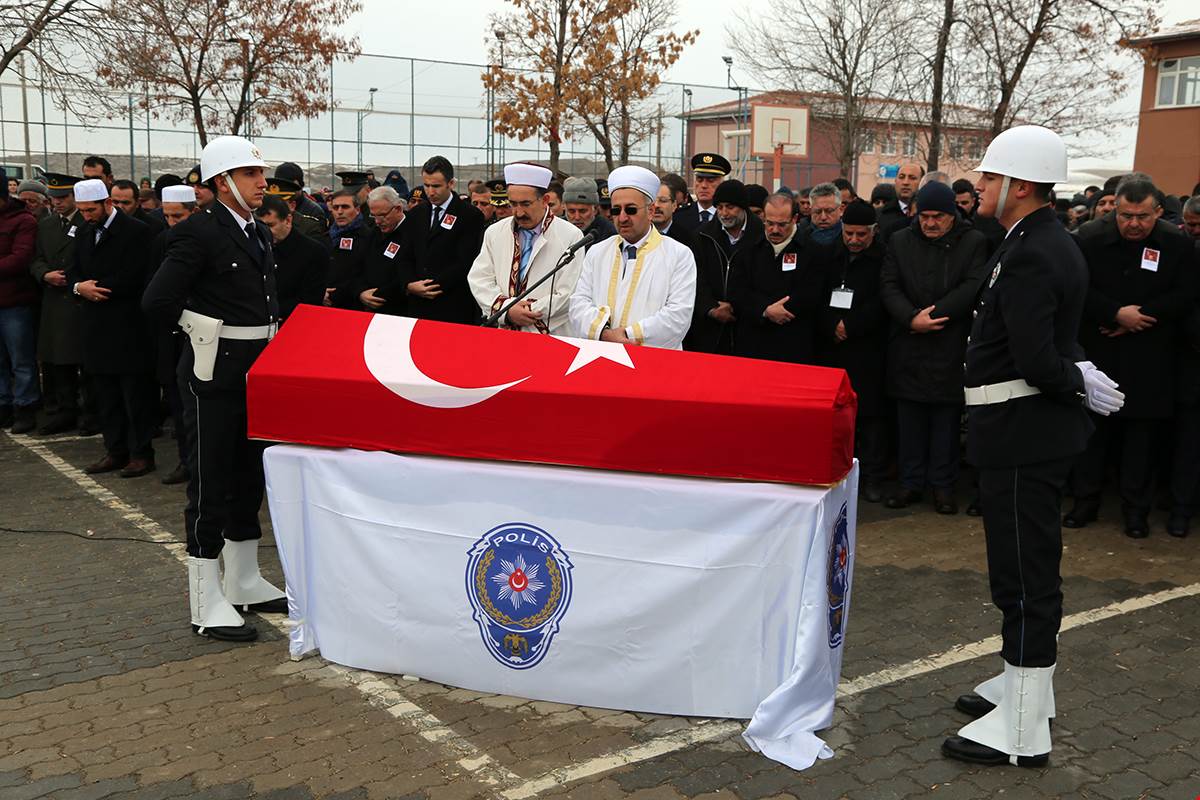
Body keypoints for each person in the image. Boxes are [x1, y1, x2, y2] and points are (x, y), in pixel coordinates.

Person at [943, 124, 1124, 770]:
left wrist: (1073, 379)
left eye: (991, 176)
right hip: (1019, 431)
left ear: (1020, 184)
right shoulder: (1033, 240)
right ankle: (1022, 686)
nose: (980, 185)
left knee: (1023, 577)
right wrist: (1076, 374)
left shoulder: (1034, 250)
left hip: (1023, 434)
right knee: (1022, 572)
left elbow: (1037, 356)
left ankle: (1023, 730)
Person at [143, 135, 287, 643]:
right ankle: (205, 598)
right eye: (250, 174)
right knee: (210, 481)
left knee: (248, 477)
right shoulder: (198, 233)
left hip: (255, 372)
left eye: (260, 172)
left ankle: (243, 579)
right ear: (222, 182)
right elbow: (157, 301)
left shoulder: (257, 230)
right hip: (213, 375)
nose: (262, 182)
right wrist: (203, 333)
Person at [1065, 177, 1198, 537]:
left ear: (1158, 212)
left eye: (1142, 217)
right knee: (1093, 434)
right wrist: (1114, 313)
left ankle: (1135, 510)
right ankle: (1085, 500)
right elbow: (1078, 289)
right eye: (1126, 216)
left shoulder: (1177, 244)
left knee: (1141, 440)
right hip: (1101, 350)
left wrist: (1141, 317)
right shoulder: (1090, 239)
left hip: (1151, 355)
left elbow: (1185, 294)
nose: (1134, 224)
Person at [880, 180, 989, 513]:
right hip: (908, 343)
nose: (929, 223)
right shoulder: (900, 240)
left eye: (937, 217)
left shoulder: (973, 242)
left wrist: (934, 316)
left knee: (946, 422)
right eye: (924, 216)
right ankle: (910, 483)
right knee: (909, 420)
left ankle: (943, 486)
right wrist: (911, 318)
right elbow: (889, 284)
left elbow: (972, 286)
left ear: (952, 215)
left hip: (949, 343)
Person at [67, 179, 157, 478]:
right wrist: (79, 287)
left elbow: (137, 275)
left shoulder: (136, 231)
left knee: (135, 396)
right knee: (105, 395)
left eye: (91, 210)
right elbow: (73, 270)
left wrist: (97, 289)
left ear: (107, 203)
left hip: (128, 326)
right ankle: (115, 450)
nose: (86, 215)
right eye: (82, 210)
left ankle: (141, 453)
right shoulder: (83, 231)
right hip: (95, 326)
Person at [569, 165, 696, 349]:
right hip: (600, 354)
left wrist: (628, 335)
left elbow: (677, 317)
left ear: (650, 211)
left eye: (630, 210)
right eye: (616, 210)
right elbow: (578, 304)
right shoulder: (597, 252)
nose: (622, 218)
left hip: (653, 359)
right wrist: (604, 333)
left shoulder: (679, 255)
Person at [817, 200, 891, 501]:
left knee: (871, 418)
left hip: (868, 347)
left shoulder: (884, 257)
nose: (854, 240)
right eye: (849, 233)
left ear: (873, 232)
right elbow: (816, 294)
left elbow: (884, 299)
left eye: (861, 234)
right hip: (832, 346)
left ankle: (872, 477)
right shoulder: (828, 254)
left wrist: (851, 325)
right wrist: (832, 325)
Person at [468, 162, 584, 336]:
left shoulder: (570, 235)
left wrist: (526, 311)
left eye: (525, 204)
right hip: (505, 334)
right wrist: (507, 310)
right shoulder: (494, 232)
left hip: (551, 336)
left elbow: (568, 294)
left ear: (545, 200)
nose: (519, 212)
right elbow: (479, 279)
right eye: (513, 204)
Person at [147, 184, 201, 486]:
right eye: (166, 216)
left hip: (201, 332)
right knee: (178, 402)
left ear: (194, 212)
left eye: (177, 216)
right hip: (171, 331)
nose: (171, 222)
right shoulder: (161, 241)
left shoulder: (206, 240)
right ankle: (185, 460)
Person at [734, 192, 824, 365]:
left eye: (782, 224)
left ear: (794, 219)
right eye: (770, 223)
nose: (775, 230)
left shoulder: (813, 251)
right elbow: (738, 290)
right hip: (753, 343)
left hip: (793, 343)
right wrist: (765, 310)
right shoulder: (748, 249)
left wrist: (783, 310)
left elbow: (812, 292)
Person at [396, 156, 486, 324]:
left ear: (450, 184)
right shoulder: (416, 214)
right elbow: (405, 255)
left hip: (452, 305)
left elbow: (466, 261)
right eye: (426, 185)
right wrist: (408, 284)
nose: (430, 192)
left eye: (436, 186)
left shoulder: (470, 215)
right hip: (417, 305)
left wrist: (431, 286)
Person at [29, 173, 86, 436]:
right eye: (54, 198)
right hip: (54, 300)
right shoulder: (47, 225)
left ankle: (91, 411)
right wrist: (44, 274)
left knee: (84, 360)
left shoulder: (87, 222)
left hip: (79, 300)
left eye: (63, 197)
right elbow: (36, 258)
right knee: (58, 361)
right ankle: (66, 409)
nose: (58, 202)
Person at [687, 179, 768, 354]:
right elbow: (695, 279)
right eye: (720, 207)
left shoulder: (762, 236)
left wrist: (741, 308)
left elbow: (764, 283)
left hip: (750, 329)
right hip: (711, 333)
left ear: (743, 207)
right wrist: (711, 308)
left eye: (730, 207)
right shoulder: (702, 236)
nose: (724, 213)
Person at [0, 167, 40, 433]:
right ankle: (3, 405)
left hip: (15, 302)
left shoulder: (23, 220)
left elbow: (20, 258)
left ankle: (26, 406)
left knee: (21, 360)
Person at [255, 195, 327, 319]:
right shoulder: (255, 247)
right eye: (260, 226)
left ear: (288, 221)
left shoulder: (313, 252)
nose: (264, 231)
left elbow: (310, 300)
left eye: (270, 225)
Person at [357, 185, 410, 316]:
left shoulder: (413, 233)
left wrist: (378, 294)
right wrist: (361, 292)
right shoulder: (372, 234)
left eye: (382, 216)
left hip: (400, 311)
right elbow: (358, 267)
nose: (377, 221)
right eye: (373, 216)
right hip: (370, 309)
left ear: (398, 209)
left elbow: (407, 275)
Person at [325, 188, 370, 310]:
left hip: (353, 306)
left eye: (345, 207)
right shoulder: (327, 237)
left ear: (357, 209)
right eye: (335, 208)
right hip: (325, 305)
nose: (339, 212)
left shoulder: (368, 238)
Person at [671, 152, 730, 233]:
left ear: (721, 183)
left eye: (711, 180)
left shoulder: (729, 216)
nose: (704, 185)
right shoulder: (678, 216)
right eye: (699, 180)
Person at [562, 177, 615, 250]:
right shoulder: (557, 229)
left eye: (582, 211)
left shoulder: (609, 233)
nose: (577, 217)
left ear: (595, 209)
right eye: (572, 211)